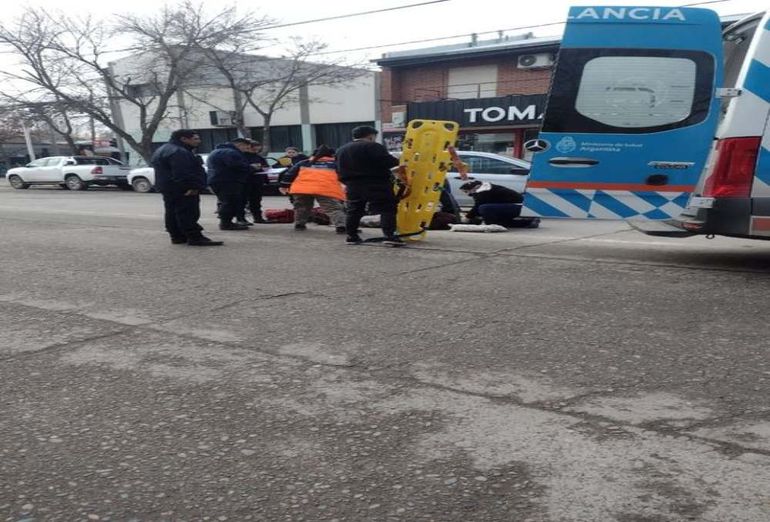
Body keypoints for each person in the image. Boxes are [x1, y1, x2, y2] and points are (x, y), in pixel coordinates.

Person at [150, 129, 223, 246]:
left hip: (168, 187)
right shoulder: (179, 152)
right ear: (183, 139)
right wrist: (192, 187)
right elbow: (183, 172)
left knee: (172, 212)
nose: (198, 141)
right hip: (182, 188)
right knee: (188, 212)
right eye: (195, 139)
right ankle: (194, 237)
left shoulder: (162, 149)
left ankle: (177, 236)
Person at [335, 125, 404, 246]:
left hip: (352, 184)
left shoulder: (341, 149)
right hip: (376, 182)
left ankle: (351, 236)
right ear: (370, 136)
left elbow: (338, 169)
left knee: (354, 210)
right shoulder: (373, 146)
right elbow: (388, 162)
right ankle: (389, 236)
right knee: (387, 208)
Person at [279, 145, 346, 233]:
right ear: (332, 155)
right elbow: (344, 176)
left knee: (301, 207)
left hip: (302, 189)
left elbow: (289, 174)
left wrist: (284, 186)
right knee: (333, 208)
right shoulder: (335, 164)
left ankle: (299, 224)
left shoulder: (304, 162)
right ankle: (341, 227)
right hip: (325, 189)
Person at [206, 138, 253, 231]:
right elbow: (237, 166)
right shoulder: (231, 153)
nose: (246, 150)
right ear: (240, 145)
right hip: (228, 180)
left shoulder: (216, 151)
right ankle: (226, 223)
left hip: (218, 179)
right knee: (230, 202)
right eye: (246, 148)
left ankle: (226, 222)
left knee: (226, 201)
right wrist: (250, 167)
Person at [459, 180, 539, 228]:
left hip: (517, 206)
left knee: (484, 208)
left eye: (467, 192)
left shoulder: (483, 191)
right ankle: (528, 222)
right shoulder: (487, 188)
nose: (467, 194)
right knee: (500, 222)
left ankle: (490, 223)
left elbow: (478, 206)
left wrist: (467, 217)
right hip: (516, 206)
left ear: (474, 188)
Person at [240, 139, 271, 224]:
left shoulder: (259, 157)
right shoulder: (242, 156)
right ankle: (241, 219)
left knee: (256, 201)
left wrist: (266, 171)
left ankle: (258, 218)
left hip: (258, 181)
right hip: (246, 181)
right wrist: (253, 167)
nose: (256, 151)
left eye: (258, 150)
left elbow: (265, 166)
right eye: (254, 149)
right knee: (243, 201)